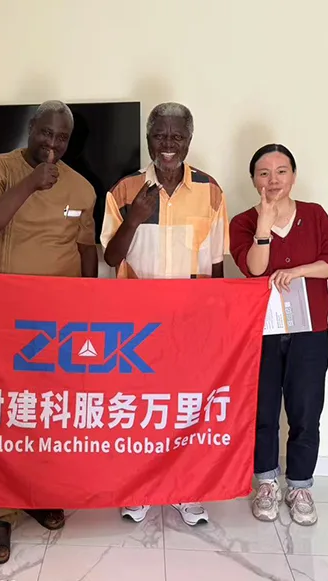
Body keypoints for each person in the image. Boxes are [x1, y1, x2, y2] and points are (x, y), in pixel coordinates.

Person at [0, 100, 97, 564]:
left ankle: (38, 494)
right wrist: (30, 183)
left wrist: (88, 311)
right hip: (0, 318)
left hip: (57, 325)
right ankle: (0, 513)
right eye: (46, 133)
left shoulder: (82, 188)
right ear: (31, 128)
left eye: (62, 138)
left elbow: (86, 251)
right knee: (4, 416)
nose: (52, 144)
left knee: (48, 413)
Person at [101, 102, 230, 526]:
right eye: (160, 135)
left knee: (185, 409)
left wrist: (215, 322)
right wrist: (135, 219)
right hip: (135, 325)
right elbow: (111, 257)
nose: (168, 144)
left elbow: (215, 263)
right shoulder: (124, 191)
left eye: (177, 136)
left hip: (190, 322)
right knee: (141, 408)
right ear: (148, 138)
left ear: (189, 140)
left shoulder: (211, 191)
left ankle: (185, 489)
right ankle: (140, 489)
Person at [229, 144, 328, 526]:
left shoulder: (314, 215)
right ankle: (266, 482)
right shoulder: (243, 222)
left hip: (310, 332)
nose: (273, 180)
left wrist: (297, 271)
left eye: (282, 171)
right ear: (253, 180)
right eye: (264, 173)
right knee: (263, 411)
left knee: (305, 411)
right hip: (262, 334)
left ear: (294, 176)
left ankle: (300, 486)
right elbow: (254, 268)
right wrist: (264, 225)